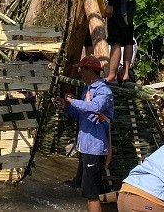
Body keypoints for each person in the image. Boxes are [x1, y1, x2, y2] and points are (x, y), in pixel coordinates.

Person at [56, 55, 114, 212]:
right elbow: (80, 114)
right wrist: (67, 107)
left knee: (91, 195)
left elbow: (95, 107)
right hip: (85, 147)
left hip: (94, 149)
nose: (80, 73)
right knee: (88, 189)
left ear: (89, 70)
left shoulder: (104, 92)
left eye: (82, 69)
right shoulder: (86, 90)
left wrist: (71, 101)